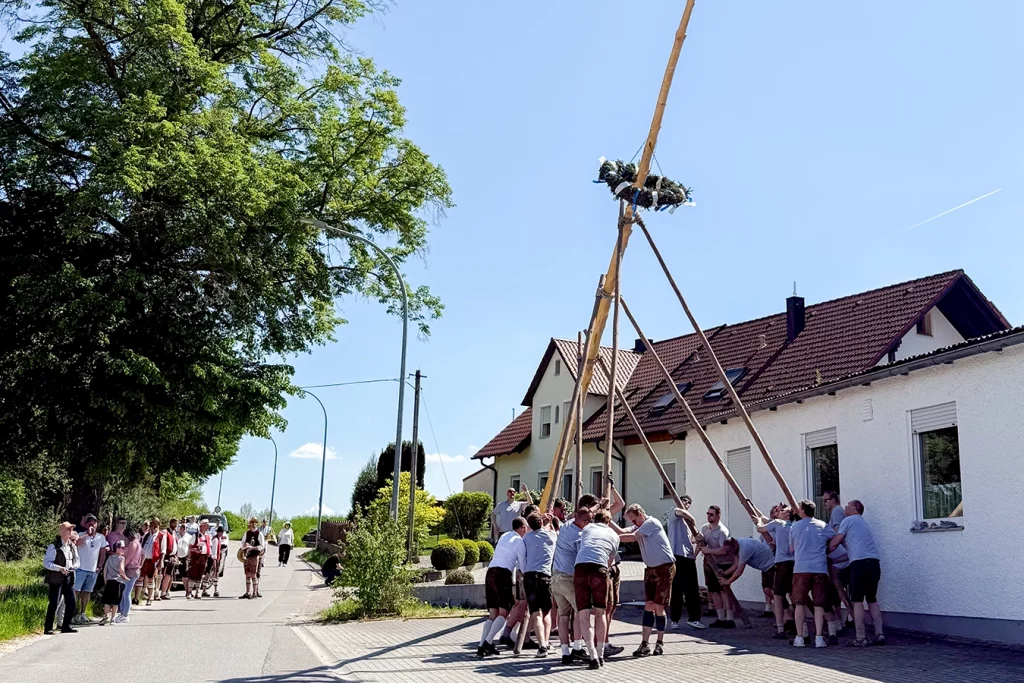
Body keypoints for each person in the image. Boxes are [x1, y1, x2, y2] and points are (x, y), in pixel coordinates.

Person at [613, 504, 675, 657]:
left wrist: (611, 538)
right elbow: (622, 532)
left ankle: (659, 642)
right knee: (648, 605)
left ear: (640, 514)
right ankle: (645, 643)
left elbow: (631, 537)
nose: (633, 524)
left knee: (659, 607)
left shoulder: (651, 524)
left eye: (634, 520)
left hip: (664, 568)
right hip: (651, 569)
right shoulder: (639, 526)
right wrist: (607, 521)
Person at [551, 494, 599, 665]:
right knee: (581, 612)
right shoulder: (581, 536)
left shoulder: (565, 527)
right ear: (586, 522)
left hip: (555, 577)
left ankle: (565, 652)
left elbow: (583, 514)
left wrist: (597, 506)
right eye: (590, 522)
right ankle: (578, 648)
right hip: (569, 578)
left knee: (563, 615)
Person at [829, 499, 885, 646]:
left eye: (847, 506)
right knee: (872, 599)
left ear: (854, 508)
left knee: (857, 600)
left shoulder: (848, 520)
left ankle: (860, 637)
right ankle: (879, 633)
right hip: (874, 563)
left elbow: (836, 541)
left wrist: (825, 550)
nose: (845, 508)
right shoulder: (862, 524)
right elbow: (852, 552)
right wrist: (835, 561)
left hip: (859, 565)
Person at [574, 508, 619, 670]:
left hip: (580, 568)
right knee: (601, 612)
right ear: (609, 522)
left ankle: (592, 655)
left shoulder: (587, 529)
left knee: (583, 614)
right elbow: (609, 562)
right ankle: (600, 653)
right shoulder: (614, 536)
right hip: (599, 569)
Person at [478, 516, 528, 658]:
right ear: (523, 528)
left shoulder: (505, 535)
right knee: (504, 612)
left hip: (490, 572)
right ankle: (488, 642)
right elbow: (522, 564)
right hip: (503, 573)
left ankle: (482, 646)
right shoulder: (520, 541)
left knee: (493, 613)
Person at [789, 499, 836, 648]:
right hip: (820, 568)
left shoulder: (795, 527)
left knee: (799, 604)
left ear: (802, 510)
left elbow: (791, 549)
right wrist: (826, 549)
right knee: (819, 605)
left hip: (801, 568)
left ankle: (800, 637)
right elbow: (834, 538)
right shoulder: (823, 525)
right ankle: (819, 637)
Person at [518, 513, 557, 657]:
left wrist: (542, 520)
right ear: (542, 523)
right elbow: (552, 530)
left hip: (529, 576)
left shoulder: (527, 537)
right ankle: (546, 643)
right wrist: (549, 520)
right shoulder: (552, 536)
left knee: (536, 613)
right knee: (546, 612)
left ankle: (541, 646)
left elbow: (531, 530)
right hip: (545, 576)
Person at [667, 495, 706, 631]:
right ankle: (674, 620)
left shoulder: (688, 525)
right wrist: (692, 519)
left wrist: (698, 538)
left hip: (688, 557)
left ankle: (694, 619)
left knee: (692, 590)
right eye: (684, 501)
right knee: (677, 589)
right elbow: (682, 512)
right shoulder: (674, 512)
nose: (686, 503)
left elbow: (691, 540)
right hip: (677, 555)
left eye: (689, 502)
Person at [699, 505, 734, 628]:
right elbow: (700, 543)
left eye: (711, 514)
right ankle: (720, 617)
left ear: (718, 516)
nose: (709, 516)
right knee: (713, 591)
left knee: (724, 590)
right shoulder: (704, 528)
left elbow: (724, 550)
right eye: (707, 514)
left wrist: (708, 550)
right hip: (709, 563)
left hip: (723, 564)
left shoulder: (722, 531)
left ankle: (730, 618)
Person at [43, 522, 80, 634]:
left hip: (69, 577)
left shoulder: (72, 546)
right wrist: (59, 568)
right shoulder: (53, 546)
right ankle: (48, 627)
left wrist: (73, 567)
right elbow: (46, 563)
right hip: (56, 578)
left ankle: (66, 626)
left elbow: (77, 561)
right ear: (61, 532)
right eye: (68, 529)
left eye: (71, 529)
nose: (70, 531)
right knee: (54, 602)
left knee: (72, 602)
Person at [73, 514, 108, 624]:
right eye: (90, 523)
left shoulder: (100, 537)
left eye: (94, 523)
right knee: (76, 591)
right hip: (80, 568)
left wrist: (100, 566)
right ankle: (75, 612)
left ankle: (83, 612)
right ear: (86, 524)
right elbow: (76, 543)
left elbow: (103, 552)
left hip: (93, 569)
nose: (92, 525)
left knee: (87, 592)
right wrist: (87, 534)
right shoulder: (80, 535)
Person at [100, 541, 128, 625]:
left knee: (107, 601)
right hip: (118, 581)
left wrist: (105, 580)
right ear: (117, 548)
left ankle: (105, 617)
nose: (124, 550)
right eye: (122, 548)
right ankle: (112, 618)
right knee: (116, 601)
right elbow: (121, 570)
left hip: (109, 581)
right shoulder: (121, 558)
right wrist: (125, 578)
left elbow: (105, 570)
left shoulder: (110, 557)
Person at [118, 529, 143, 623]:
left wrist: (122, 566)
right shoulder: (138, 543)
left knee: (126, 593)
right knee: (125, 591)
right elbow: (142, 555)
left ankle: (125, 614)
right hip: (135, 569)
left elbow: (129, 557)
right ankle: (123, 613)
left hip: (131, 570)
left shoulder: (133, 544)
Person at [140, 518, 167, 605]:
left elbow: (163, 550)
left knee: (151, 578)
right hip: (144, 559)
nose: (154, 526)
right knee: (141, 577)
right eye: (152, 524)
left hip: (154, 560)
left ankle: (150, 598)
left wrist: (160, 561)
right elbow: (142, 546)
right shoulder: (147, 535)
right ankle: (139, 596)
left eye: (156, 524)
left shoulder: (161, 536)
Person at [186, 519, 212, 599]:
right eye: (206, 525)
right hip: (196, 557)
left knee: (200, 574)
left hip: (204, 557)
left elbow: (209, 547)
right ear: (202, 526)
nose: (207, 527)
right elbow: (189, 547)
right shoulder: (196, 535)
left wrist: (209, 555)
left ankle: (197, 592)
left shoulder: (207, 536)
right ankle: (189, 592)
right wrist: (195, 550)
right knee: (193, 574)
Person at [241, 517, 265, 599]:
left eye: (255, 522)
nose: (253, 524)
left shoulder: (259, 534)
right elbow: (242, 543)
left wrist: (252, 547)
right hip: (247, 555)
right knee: (247, 573)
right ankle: (248, 592)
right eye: (252, 522)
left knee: (254, 573)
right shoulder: (247, 533)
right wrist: (245, 546)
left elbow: (262, 546)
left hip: (255, 555)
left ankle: (255, 592)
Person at [159, 518, 179, 600]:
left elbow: (175, 545)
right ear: (170, 523)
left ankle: (166, 591)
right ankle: (162, 592)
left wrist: (176, 556)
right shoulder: (165, 532)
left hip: (173, 556)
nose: (176, 525)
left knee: (170, 575)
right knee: (165, 575)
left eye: (176, 524)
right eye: (174, 523)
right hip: (167, 556)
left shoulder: (174, 533)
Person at [207, 525, 226, 597]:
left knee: (214, 574)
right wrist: (214, 561)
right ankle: (210, 590)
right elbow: (214, 551)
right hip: (213, 559)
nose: (221, 533)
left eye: (221, 532)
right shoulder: (215, 540)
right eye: (220, 532)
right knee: (212, 574)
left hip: (216, 559)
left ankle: (214, 589)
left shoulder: (219, 539)